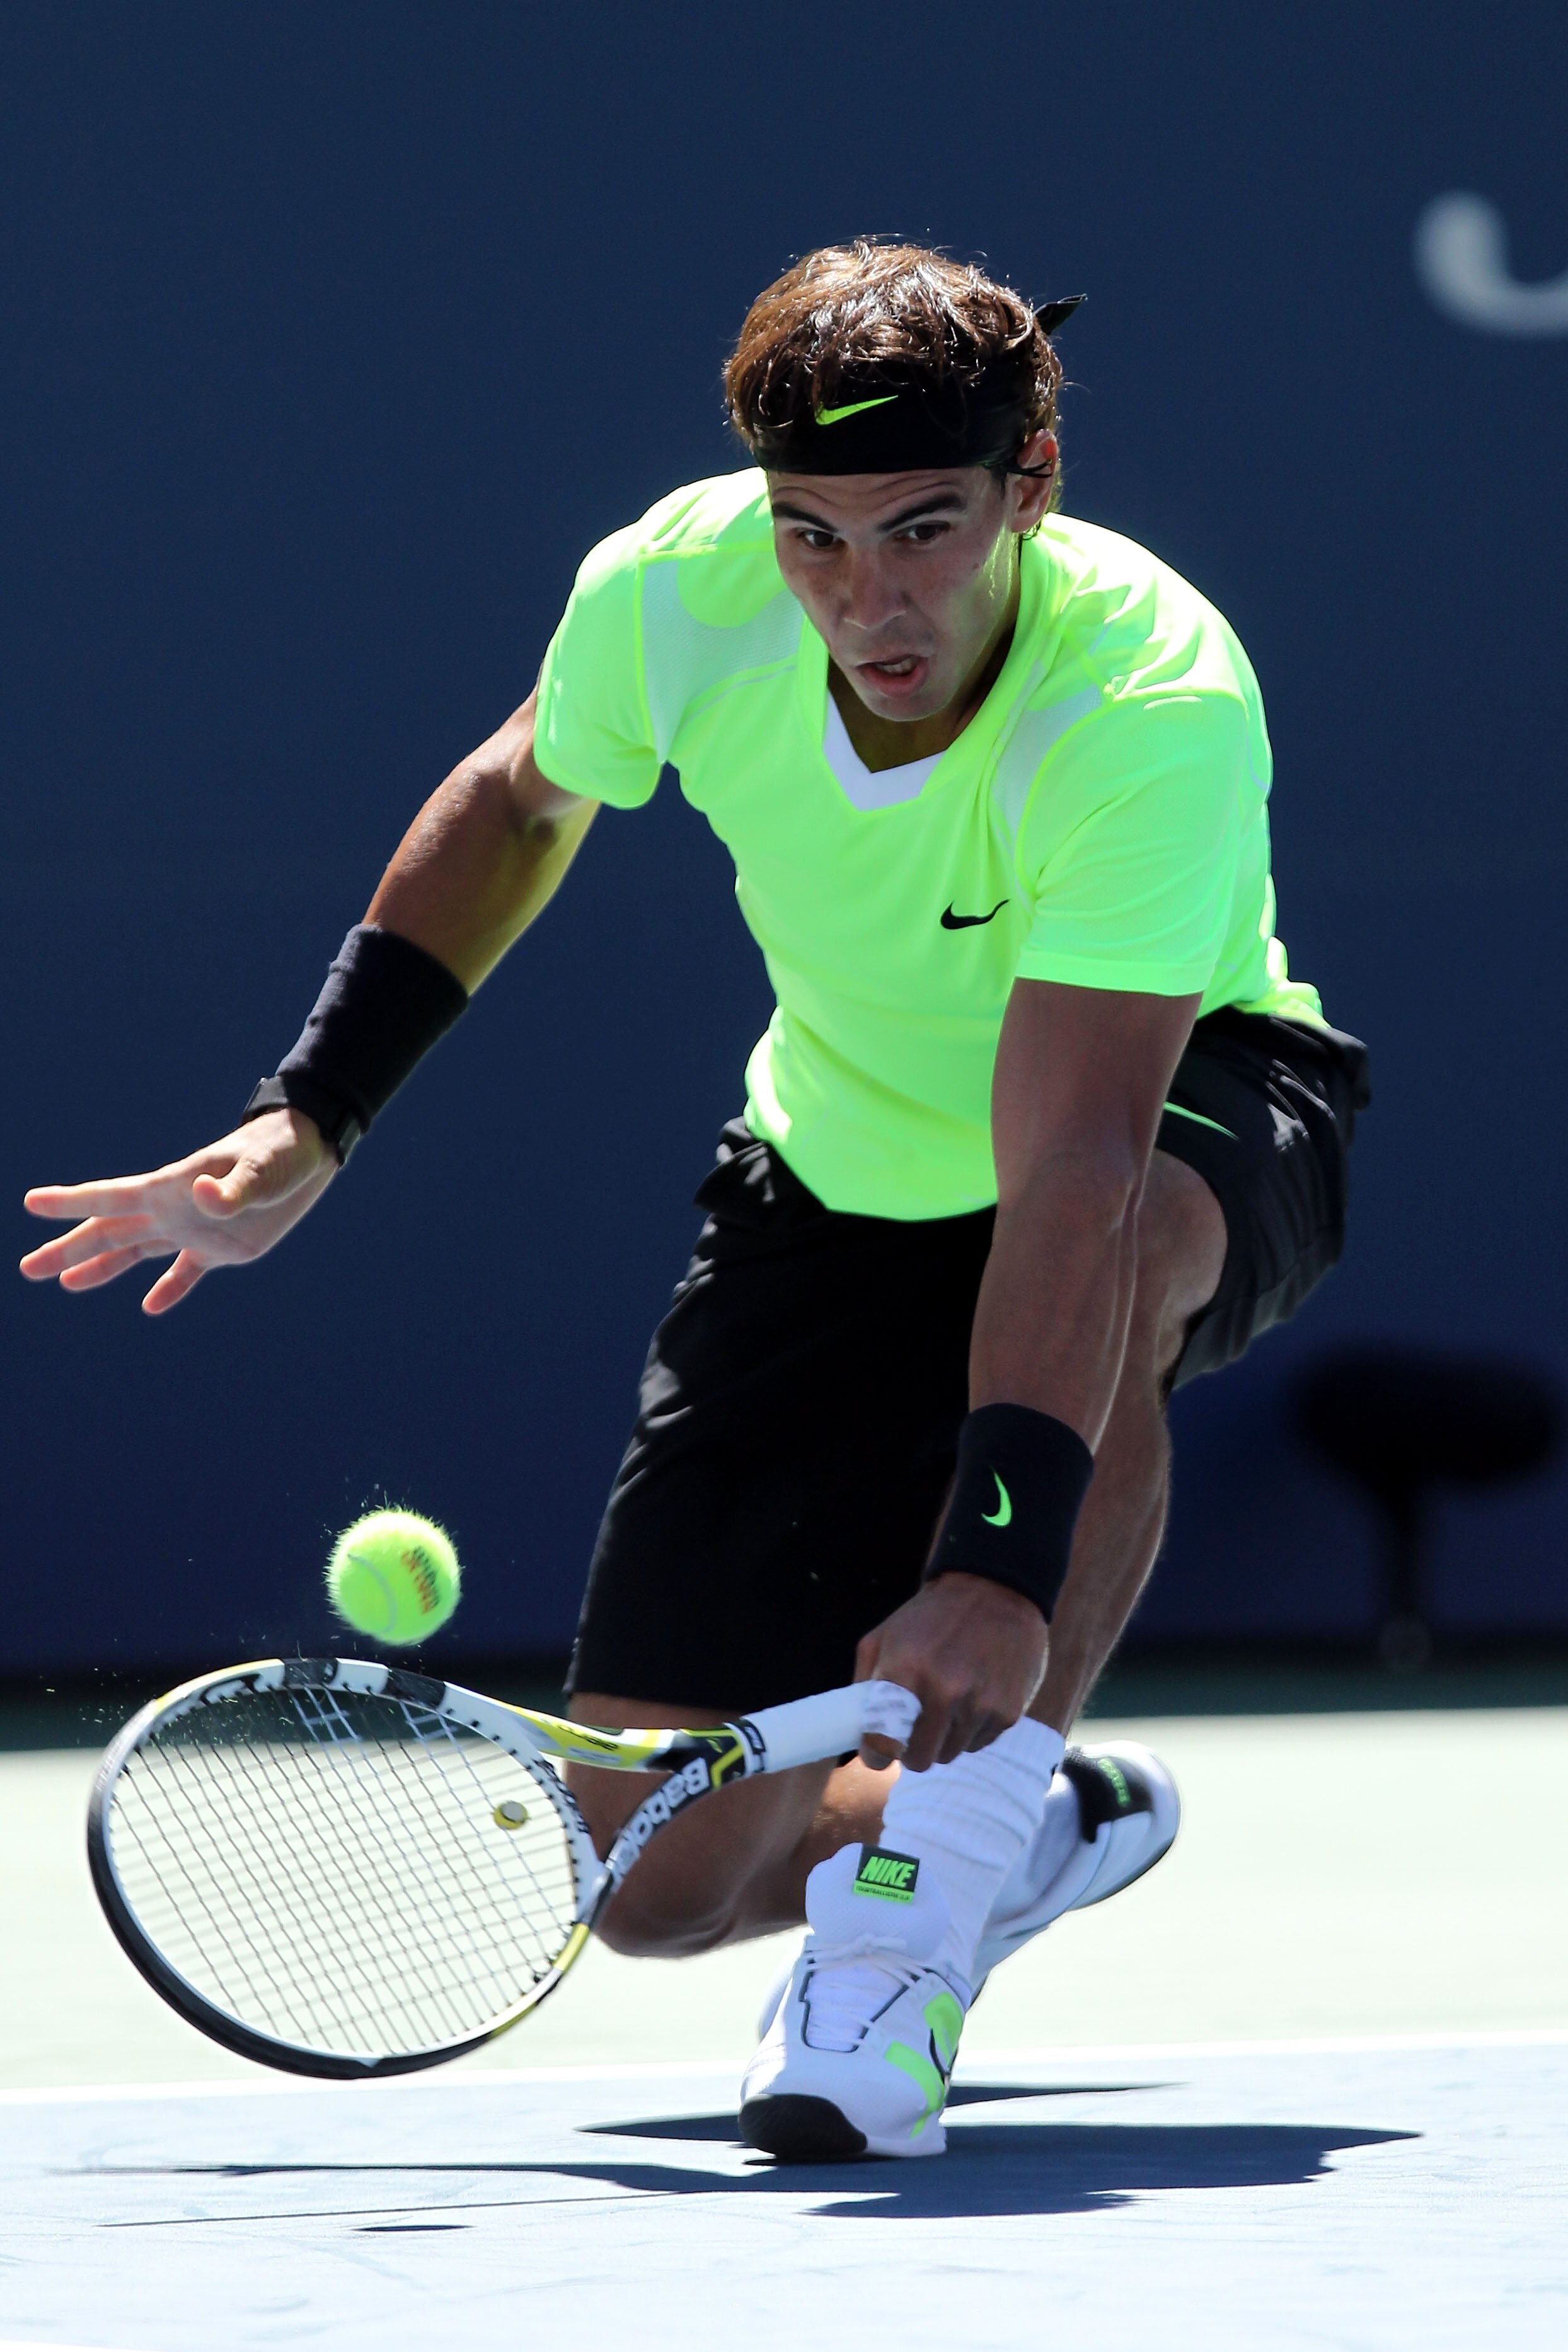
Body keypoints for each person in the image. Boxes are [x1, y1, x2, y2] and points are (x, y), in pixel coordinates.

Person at [21, 241, 1368, 2162]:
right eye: (812, 535)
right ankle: (1032, 1827)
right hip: (832, 1172)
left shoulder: (1148, 696)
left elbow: (1068, 1167)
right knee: (651, 1883)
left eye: (923, 526)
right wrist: (306, 1117)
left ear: (1031, 481)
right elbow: (520, 797)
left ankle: (914, 1931)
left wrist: (994, 1558)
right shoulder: (675, 590)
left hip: (1196, 1113)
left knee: (1127, 1240)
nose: (866, 596)